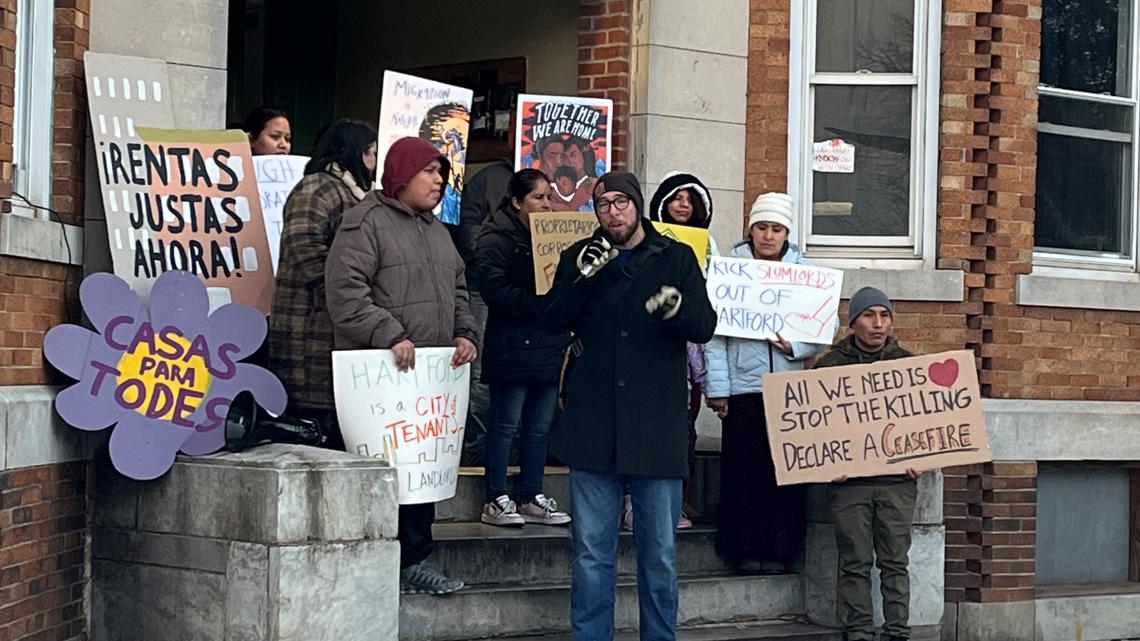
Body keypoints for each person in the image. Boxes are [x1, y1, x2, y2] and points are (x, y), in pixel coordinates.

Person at [542, 171, 716, 641]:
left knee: (658, 554)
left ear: (638, 205)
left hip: (655, 426)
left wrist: (675, 309)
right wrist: (582, 278)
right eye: (603, 204)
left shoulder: (675, 257)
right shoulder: (579, 257)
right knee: (590, 554)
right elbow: (551, 319)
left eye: (622, 202)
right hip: (593, 424)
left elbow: (704, 325)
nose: (613, 212)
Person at [325, 136, 479, 596]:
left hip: (428, 384)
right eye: (430, 171)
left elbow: (459, 290)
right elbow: (345, 294)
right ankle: (383, 562)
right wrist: (389, 333)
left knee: (418, 474)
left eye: (442, 174)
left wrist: (465, 333)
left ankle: (415, 560)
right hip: (383, 383)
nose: (439, 181)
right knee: (384, 476)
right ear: (402, 174)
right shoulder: (364, 223)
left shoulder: (438, 232)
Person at [704, 192, 828, 574]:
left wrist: (797, 347)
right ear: (751, 230)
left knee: (785, 472)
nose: (768, 236)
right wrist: (718, 389)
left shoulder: (806, 272)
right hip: (744, 387)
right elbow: (713, 336)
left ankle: (780, 550)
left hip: (789, 389)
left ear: (786, 232)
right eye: (762, 227)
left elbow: (825, 325)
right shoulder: (730, 271)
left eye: (776, 229)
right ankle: (743, 549)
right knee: (744, 472)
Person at [813, 287, 920, 641]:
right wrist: (826, 464)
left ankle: (897, 631)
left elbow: (924, 421)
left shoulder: (909, 365)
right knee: (855, 563)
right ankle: (859, 630)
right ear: (853, 322)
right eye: (869, 315)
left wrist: (922, 457)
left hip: (897, 482)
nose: (878, 323)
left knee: (895, 562)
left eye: (884, 315)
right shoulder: (829, 367)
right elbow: (814, 427)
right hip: (850, 485)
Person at [268, 119, 377, 450]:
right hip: (309, 328)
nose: (375, 161)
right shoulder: (318, 187)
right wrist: (345, 290)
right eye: (371, 152)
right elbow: (303, 242)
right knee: (313, 430)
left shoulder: (350, 192)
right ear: (355, 153)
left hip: (332, 328)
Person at [617, 172, 717, 532]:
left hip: (692, 350)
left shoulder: (708, 248)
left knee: (682, 428)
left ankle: (675, 501)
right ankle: (632, 501)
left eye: (690, 200)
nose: (683, 205)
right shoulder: (644, 243)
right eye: (677, 198)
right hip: (649, 345)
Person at [475, 169, 572, 527]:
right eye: (538, 197)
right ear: (517, 202)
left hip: (546, 343)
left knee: (539, 428)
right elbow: (494, 289)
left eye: (549, 197)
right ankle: (495, 497)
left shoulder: (556, 237)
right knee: (505, 424)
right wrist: (538, 303)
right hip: (511, 345)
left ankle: (532, 495)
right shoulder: (495, 238)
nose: (546, 204)